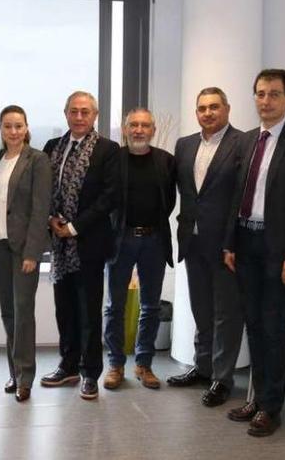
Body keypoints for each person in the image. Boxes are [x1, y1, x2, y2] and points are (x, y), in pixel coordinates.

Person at [223, 69, 285, 437]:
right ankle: (258, 397)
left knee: (273, 327)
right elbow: (239, 196)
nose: (266, 100)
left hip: (281, 251)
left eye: (274, 94)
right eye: (261, 93)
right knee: (253, 324)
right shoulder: (249, 140)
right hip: (247, 243)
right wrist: (230, 243)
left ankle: (271, 406)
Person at [167, 87, 245, 408]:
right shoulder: (184, 146)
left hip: (226, 246)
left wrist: (234, 242)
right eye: (202, 108)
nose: (208, 113)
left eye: (214, 107)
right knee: (202, 309)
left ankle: (222, 379)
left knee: (226, 314)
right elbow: (185, 193)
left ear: (227, 108)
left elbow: (243, 197)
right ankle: (203, 368)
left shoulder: (243, 144)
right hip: (193, 241)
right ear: (196, 112)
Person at [41, 91, 119, 401]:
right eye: (73, 111)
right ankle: (69, 365)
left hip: (89, 243)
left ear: (95, 115)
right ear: (65, 113)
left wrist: (73, 226)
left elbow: (109, 197)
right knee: (65, 309)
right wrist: (51, 220)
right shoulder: (52, 148)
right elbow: (44, 190)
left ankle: (90, 373)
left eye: (85, 111)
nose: (79, 116)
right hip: (59, 247)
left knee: (88, 311)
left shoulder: (108, 150)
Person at [102, 108, 177, 391]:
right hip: (121, 239)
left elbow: (168, 201)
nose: (139, 130)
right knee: (114, 306)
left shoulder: (166, 162)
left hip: (154, 241)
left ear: (153, 130)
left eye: (145, 125)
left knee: (151, 305)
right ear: (125, 129)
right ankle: (116, 364)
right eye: (133, 125)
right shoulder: (114, 161)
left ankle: (144, 364)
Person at [0, 105, 52, 402]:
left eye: (18, 126)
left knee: (23, 312)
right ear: (0, 129)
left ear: (26, 128)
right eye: (7, 126)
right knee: (8, 312)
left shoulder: (37, 160)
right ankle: (15, 373)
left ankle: (26, 376)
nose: (13, 131)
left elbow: (41, 210)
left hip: (23, 249)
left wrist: (33, 252)